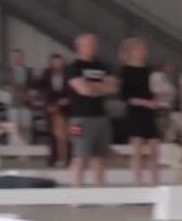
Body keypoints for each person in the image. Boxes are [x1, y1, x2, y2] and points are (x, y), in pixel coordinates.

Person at [66, 33, 119, 187]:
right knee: (79, 157)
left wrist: (92, 87)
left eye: (95, 44)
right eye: (88, 44)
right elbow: (84, 90)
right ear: (80, 46)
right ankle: (75, 193)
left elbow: (113, 87)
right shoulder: (73, 67)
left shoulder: (103, 67)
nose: (93, 47)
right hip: (79, 119)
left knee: (99, 157)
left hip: (101, 117)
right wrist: (100, 87)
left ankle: (101, 192)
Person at [120, 38, 163, 185]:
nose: (143, 52)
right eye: (139, 49)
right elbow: (125, 96)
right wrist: (146, 103)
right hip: (135, 112)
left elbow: (154, 89)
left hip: (149, 113)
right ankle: (138, 183)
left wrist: (157, 100)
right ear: (131, 52)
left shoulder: (150, 70)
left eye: (144, 49)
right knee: (137, 150)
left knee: (155, 149)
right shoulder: (126, 71)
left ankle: (155, 182)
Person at [39, 53, 72, 167]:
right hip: (52, 107)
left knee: (68, 135)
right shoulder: (46, 73)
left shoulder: (68, 72)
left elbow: (72, 89)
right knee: (53, 135)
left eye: (59, 61)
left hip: (66, 107)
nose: (57, 63)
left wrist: (68, 99)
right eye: (55, 61)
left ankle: (68, 158)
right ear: (51, 62)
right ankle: (54, 158)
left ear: (62, 62)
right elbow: (41, 86)